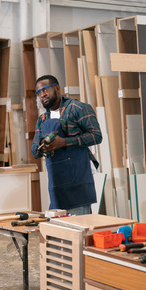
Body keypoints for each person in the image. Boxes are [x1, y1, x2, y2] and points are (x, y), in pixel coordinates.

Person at [31, 75, 102, 215]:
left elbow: (96, 135)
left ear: (57, 88)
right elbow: (34, 151)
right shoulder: (42, 119)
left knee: (80, 231)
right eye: (39, 93)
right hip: (56, 189)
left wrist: (64, 142)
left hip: (78, 187)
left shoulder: (78, 108)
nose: (42, 95)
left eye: (46, 90)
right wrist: (42, 145)